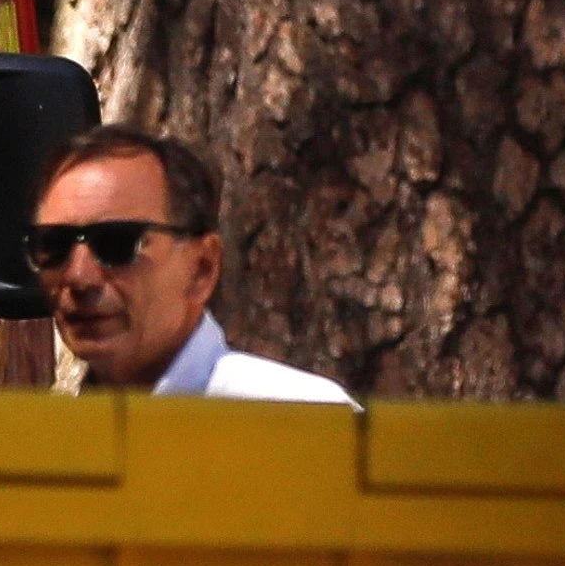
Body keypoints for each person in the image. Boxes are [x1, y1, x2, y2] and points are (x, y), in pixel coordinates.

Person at [29, 124, 352, 403]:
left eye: (117, 244)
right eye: (54, 246)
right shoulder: (40, 447)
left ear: (202, 269)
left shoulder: (299, 423)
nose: (79, 276)